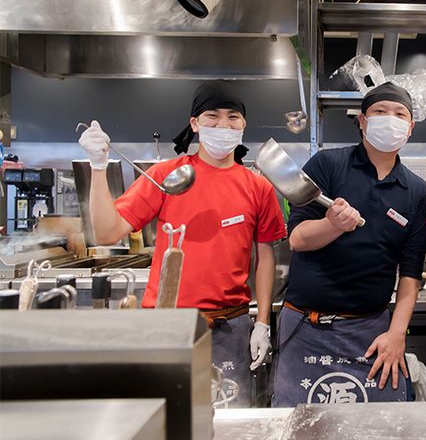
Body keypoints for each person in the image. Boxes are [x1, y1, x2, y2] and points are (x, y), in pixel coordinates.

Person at [78, 81, 286, 406]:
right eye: (213, 116)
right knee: (164, 417)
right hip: (166, 324)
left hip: (229, 328)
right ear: (195, 124)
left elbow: (266, 256)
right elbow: (107, 233)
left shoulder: (257, 187)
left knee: (229, 418)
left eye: (233, 117)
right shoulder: (167, 176)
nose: (224, 125)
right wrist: (98, 166)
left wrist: (261, 323)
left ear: (244, 125)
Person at [271, 82, 426, 406]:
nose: (390, 119)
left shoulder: (415, 191)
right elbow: (298, 239)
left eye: (399, 114)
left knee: (378, 429)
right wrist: (333, 225)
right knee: (300, 428)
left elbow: (411, 273)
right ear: (362, 120)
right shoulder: (327, 165)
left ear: (410, 127)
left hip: (371, 333)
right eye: (380, 111)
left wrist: (396, 333)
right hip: (306, 327)